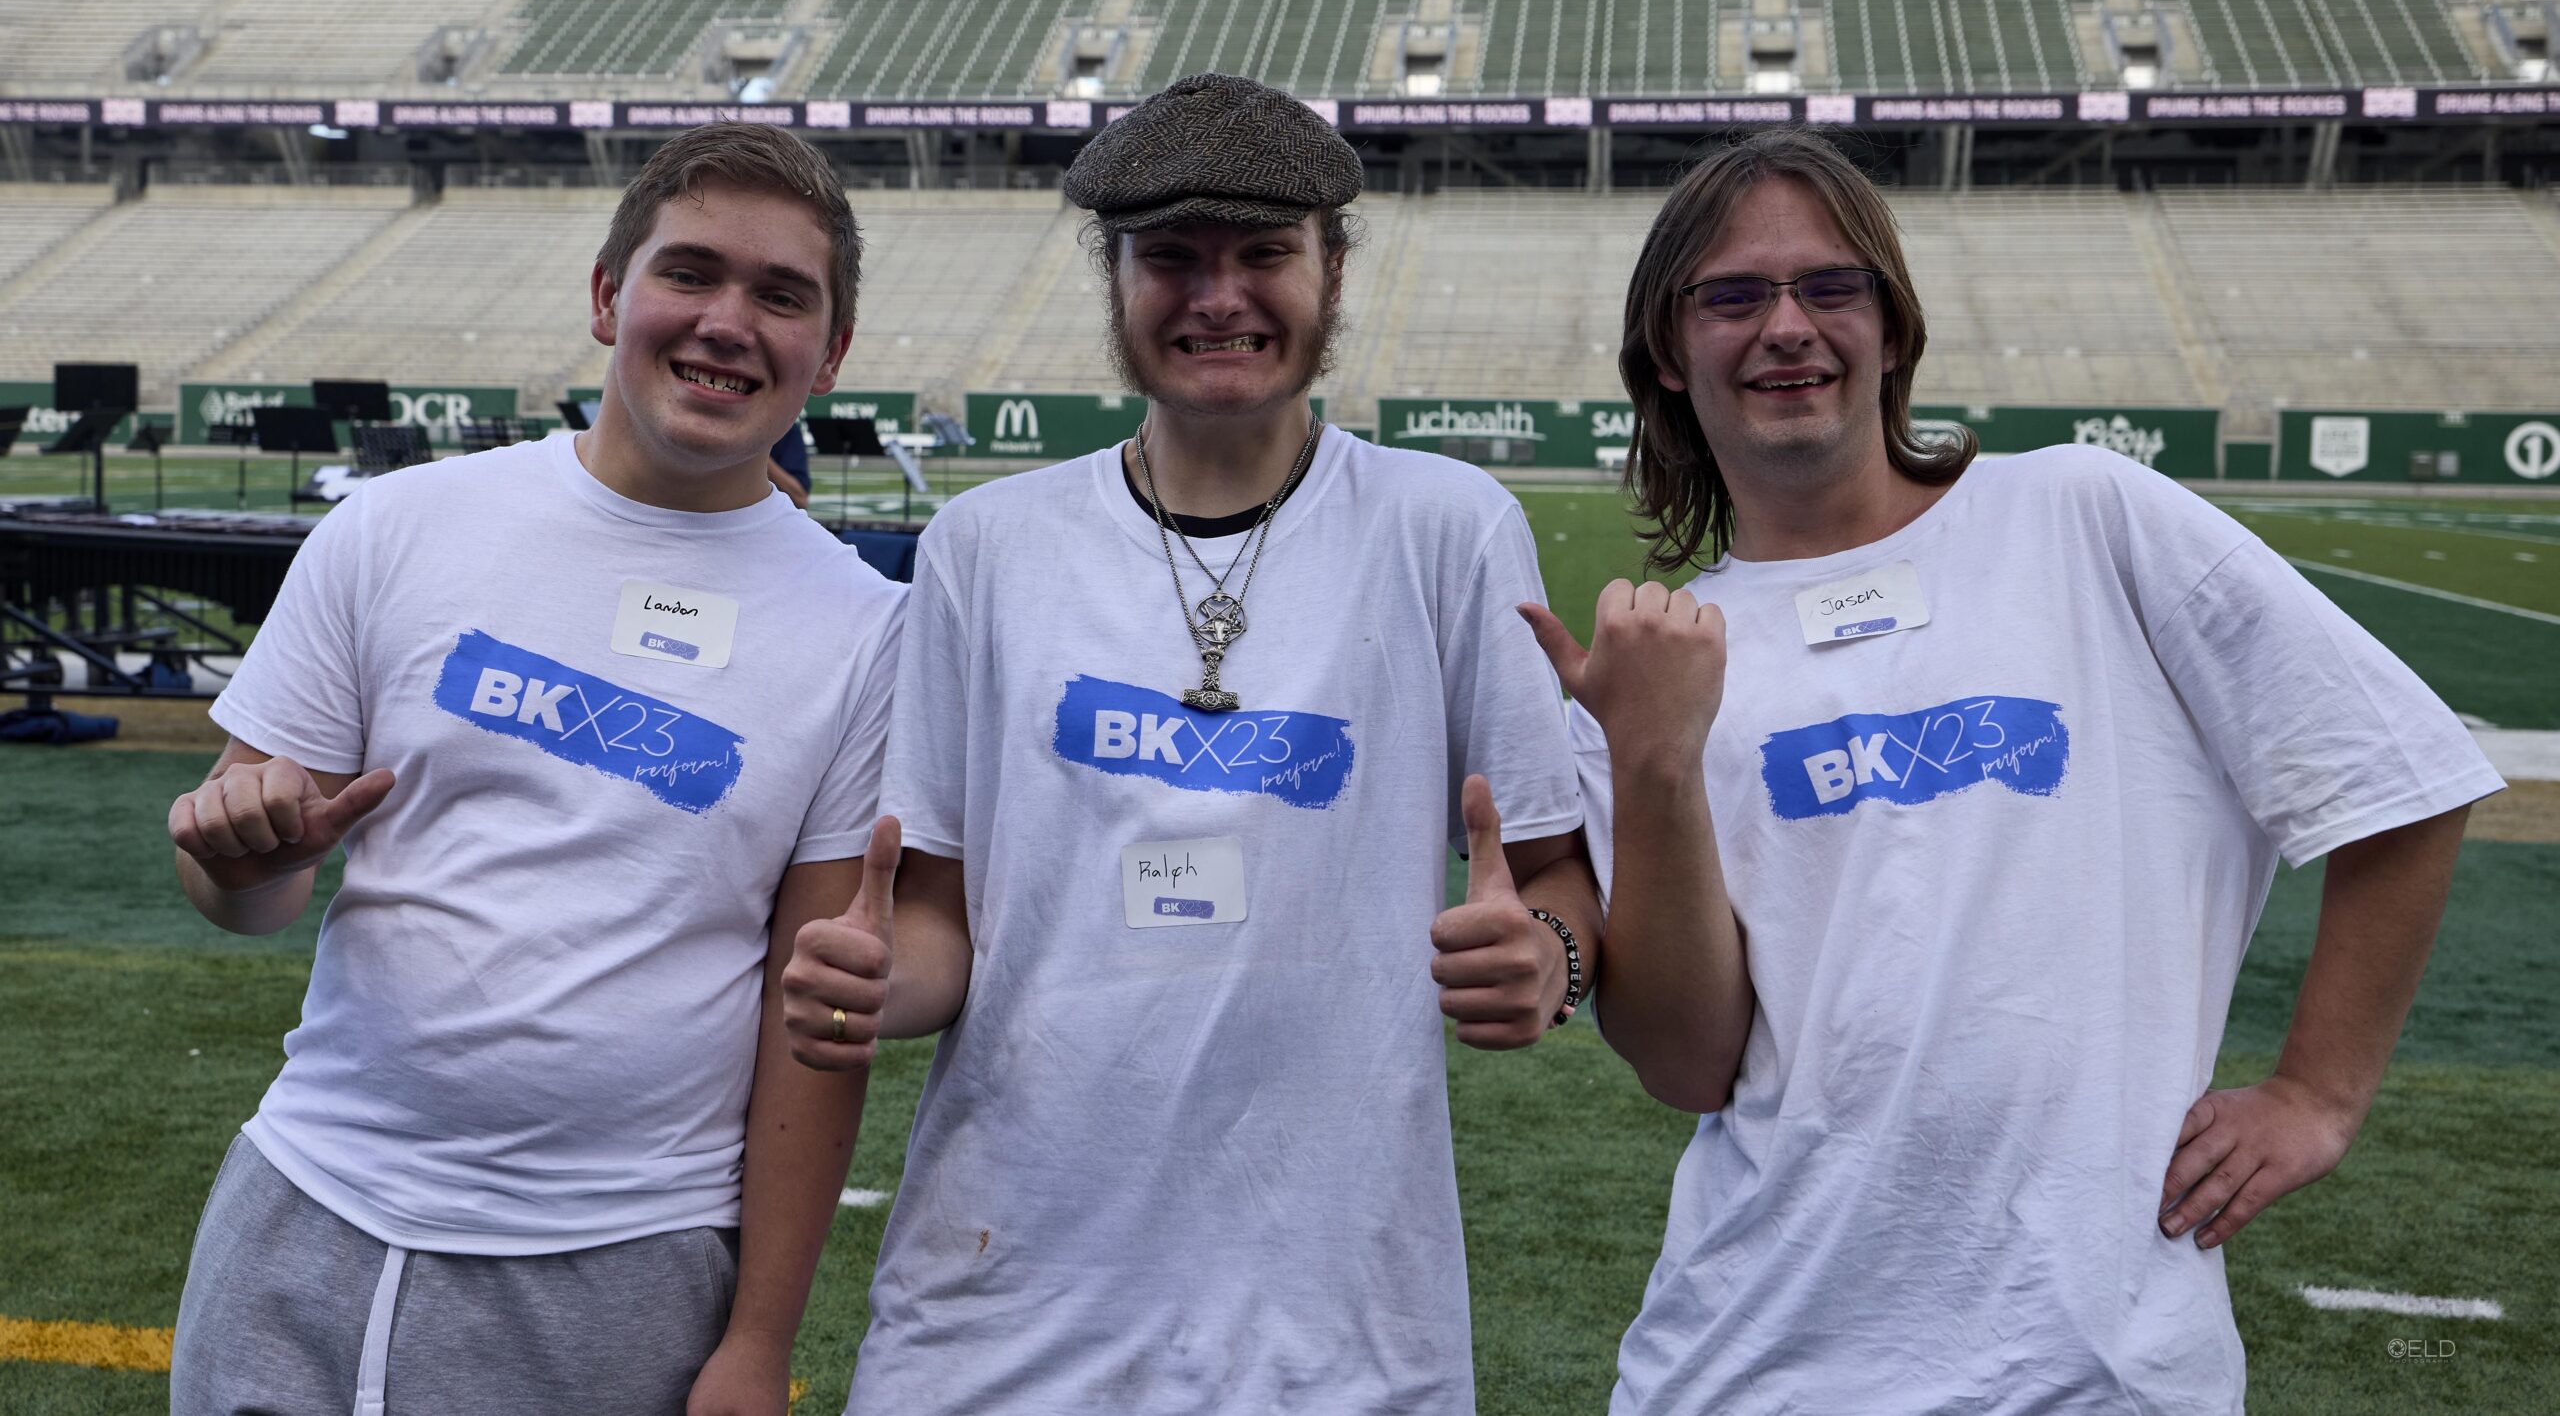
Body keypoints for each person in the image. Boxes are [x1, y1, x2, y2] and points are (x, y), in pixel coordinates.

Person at [1530, 126, 2501, 1415]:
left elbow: (2397, 774)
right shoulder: (1658, 667)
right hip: (1749, 1361)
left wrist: (2316, 1094)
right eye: (1733, 295)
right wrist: (1652, 761)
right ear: (1667, 346)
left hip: (2096, 1366)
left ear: (1893, 325)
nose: (1788, 326)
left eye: (1831, 286)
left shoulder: (2085, 514)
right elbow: (1688, 1067)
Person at [781, 72, 1600, 1414]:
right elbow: (936, 916)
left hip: (1336, 1331)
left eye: (1264, 253)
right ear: (1115, 280)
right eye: (1170, 257)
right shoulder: (985, 547)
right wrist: (877, 984)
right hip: (1001, 1319)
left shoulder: (1449, 531)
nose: (1219, 298)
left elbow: (1557, 878)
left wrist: (1550, 962)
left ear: (1334, 270)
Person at [166, 122, 905, 1416]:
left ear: (831, 353)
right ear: (610, 295)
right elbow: (244, 892)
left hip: (624, 1261)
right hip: (307, 1207)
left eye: (781, 295)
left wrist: (759, 1341)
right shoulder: (397, 526)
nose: (727, 322)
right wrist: (243, 862)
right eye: (690, 273)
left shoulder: (867, 632)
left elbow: (814, 1031)